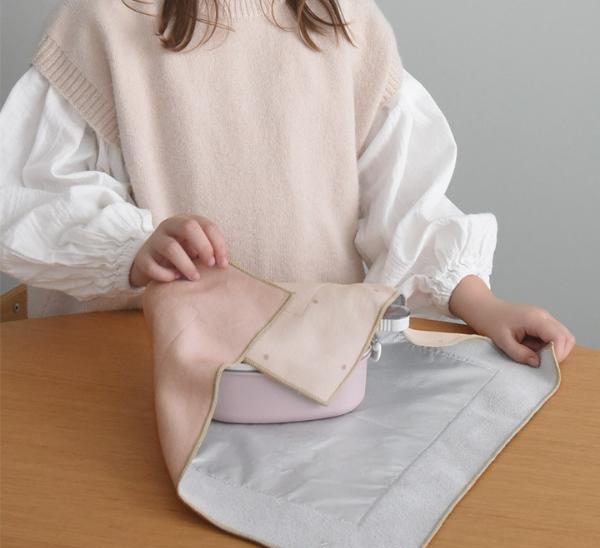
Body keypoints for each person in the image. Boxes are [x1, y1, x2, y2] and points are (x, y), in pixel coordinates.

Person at [0, 0, 574, 366]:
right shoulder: (103, 21)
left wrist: (482, 304)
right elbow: (35, 193)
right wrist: (132, 249)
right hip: (136, 372)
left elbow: (406, 203)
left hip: (311, 367)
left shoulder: (347, 24)